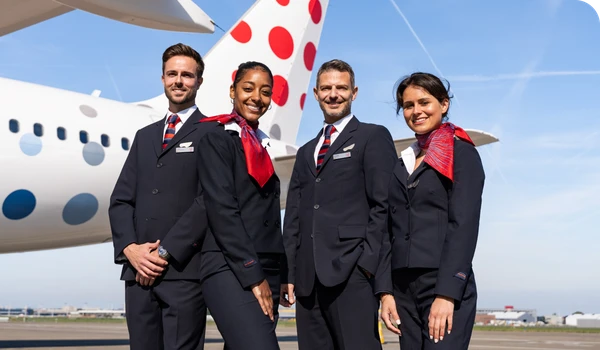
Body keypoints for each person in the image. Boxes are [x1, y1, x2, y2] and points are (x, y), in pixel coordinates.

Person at [281, 59, 397, 350]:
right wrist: (290, 273)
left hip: (351, 274)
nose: (334, 94)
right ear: (316, 93)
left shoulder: (373, 137)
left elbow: (383, 206)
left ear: (354, 92)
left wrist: (366, 266)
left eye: (341, 88)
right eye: (327, 88)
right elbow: (293, 215)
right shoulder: (306, 151)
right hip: (308, 281)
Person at [108, 43, 211, 350]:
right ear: (163, 78)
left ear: (199, 82)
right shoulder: (145, 136)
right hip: (137, 272)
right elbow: (120, 201)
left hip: (183, 273)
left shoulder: (213, 133)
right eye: (172, 74)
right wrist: (130, 249)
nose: (178, 80)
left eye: (187, 75)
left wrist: (163, 253)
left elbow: (208, 202)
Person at [377, 72, 485, 350]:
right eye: (408, 105)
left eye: (424, 102)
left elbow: (463, 225)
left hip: (441, 282)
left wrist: (447, 294)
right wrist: (386, 292)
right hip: (402, 287)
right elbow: (389, 229)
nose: (416, 111)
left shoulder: (461, 154)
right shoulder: (403, 161)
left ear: (444, 104)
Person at [194, 61, 284, 350]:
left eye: (265, 91)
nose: (256, 97)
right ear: (232, 91)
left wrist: (281, 274)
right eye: (248, 88)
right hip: (230, 265)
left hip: (267, 266)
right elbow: (222, 210)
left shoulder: (263, 145)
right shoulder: (216, 138)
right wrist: (253, 274)